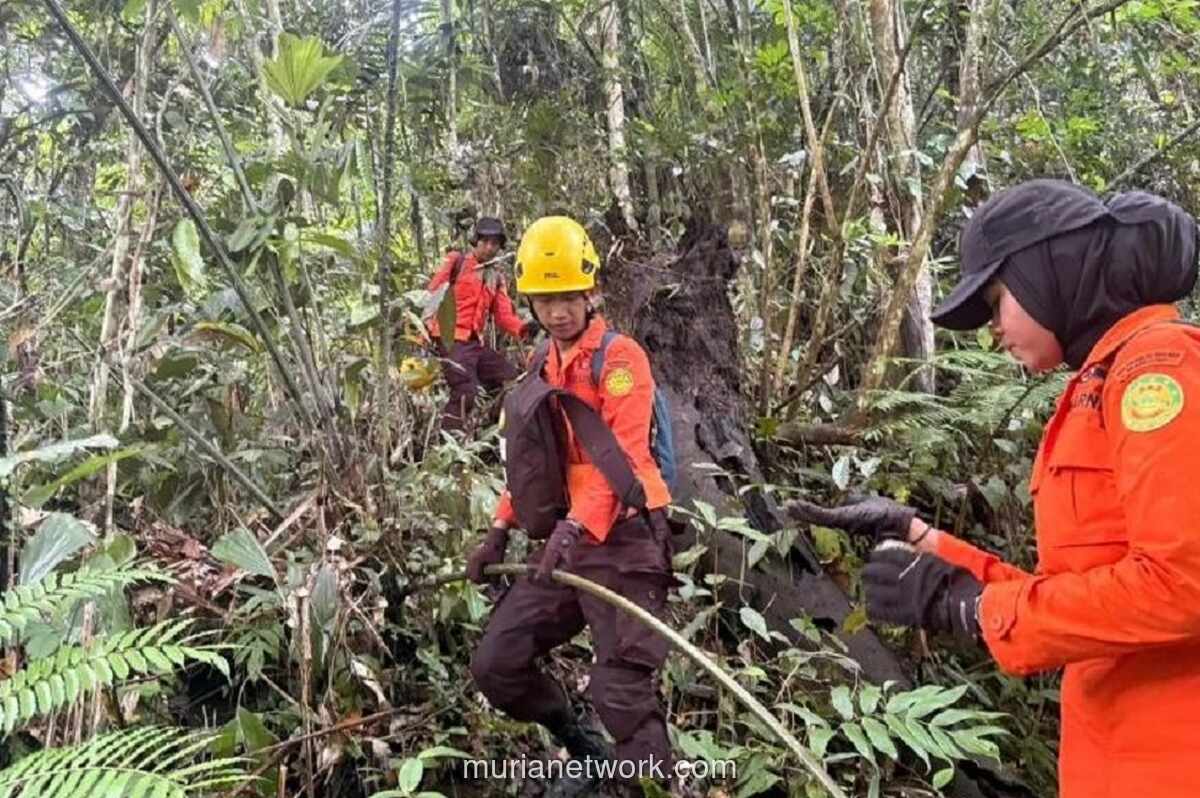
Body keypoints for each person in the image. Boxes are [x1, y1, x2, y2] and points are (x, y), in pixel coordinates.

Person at [787, 179, 1200, 798]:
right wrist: (920, 538)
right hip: (1116, 757)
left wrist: (975, 608)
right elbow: (1079, 590)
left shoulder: (1157, 369)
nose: (994, 331)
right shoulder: (1100, 381)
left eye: (998, 300)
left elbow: (1183, 585)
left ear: (1046, 271)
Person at [463, 216, 675, 796]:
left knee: (622, 691)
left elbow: (624, 458)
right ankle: (583, 746)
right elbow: (536, 465)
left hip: (626, 542)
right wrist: (499, 529)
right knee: (497, 664)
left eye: (568, 298)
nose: (558, 312)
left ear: (589, 292)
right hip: (569, 544)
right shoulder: (542, 365)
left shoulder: (621, 359)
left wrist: (576, 526)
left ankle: (648, 787)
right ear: (530, 303)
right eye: (545, 300)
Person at [425, 216, 537, 432]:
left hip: (474, 344)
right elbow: (431, 294)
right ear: (475, 241)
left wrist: (523, 329)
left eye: (494, 243)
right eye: (484, 241)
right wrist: (423, 332)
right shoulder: (457, 262)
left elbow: (504, 316)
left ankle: (495, 432)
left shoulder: (496, 277)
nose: (489, 248)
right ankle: (448, 444)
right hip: (449, 340)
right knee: (465, 391)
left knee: (511, 379)